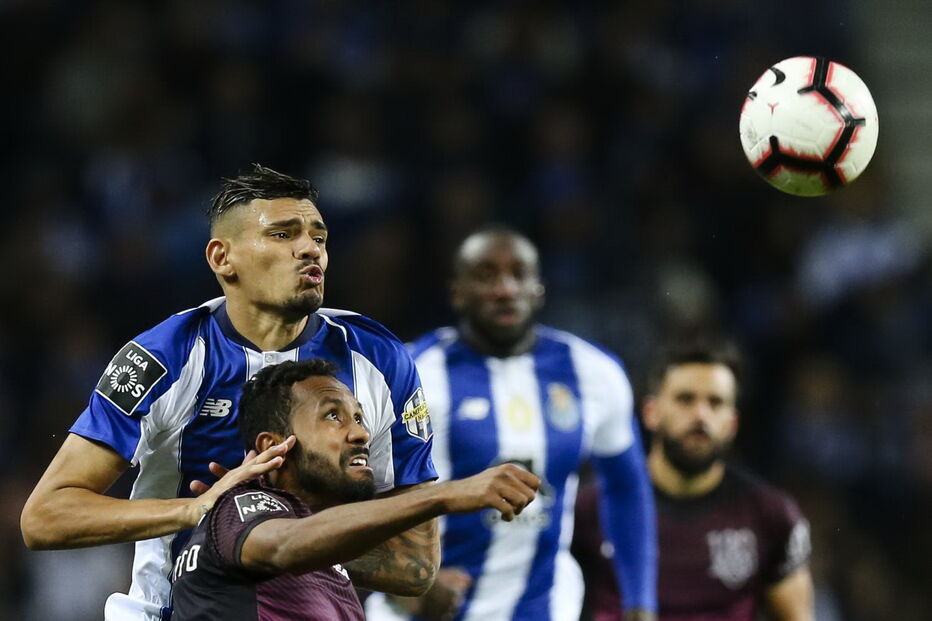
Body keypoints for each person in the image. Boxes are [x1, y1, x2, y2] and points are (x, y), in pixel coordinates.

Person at [21, 165, 440, 620]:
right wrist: (198, 511)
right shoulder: (166, 356)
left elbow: (415, 564)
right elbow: (46, 516)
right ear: (223, 258)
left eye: (318, 237)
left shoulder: (378, 358)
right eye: (282, 235)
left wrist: (277, 538)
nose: (309, 249)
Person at [366, 227, 657, 621]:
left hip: (545, 607)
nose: (505, 289)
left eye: (519, 274)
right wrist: (409, 588)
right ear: (457, 292)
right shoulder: (412, 373)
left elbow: (626, 489)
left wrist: (640, 603)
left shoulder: (594, 373)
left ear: (539, 288)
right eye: (486, 275)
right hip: (421, 611)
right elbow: (362, 497)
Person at [171, 358, 540, 620]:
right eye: (333, 416)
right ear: (273, 446)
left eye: (360, 417)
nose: (362, 434)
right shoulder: (239, 504)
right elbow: (286, 544)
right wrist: (442, 497)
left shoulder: (330, 563)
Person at [571, 341, 814, 621]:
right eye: (685, 399)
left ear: (732, 423)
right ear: (651, 412)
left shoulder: (770, 515)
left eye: (715, 402)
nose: (700, 415)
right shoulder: (590, 509)